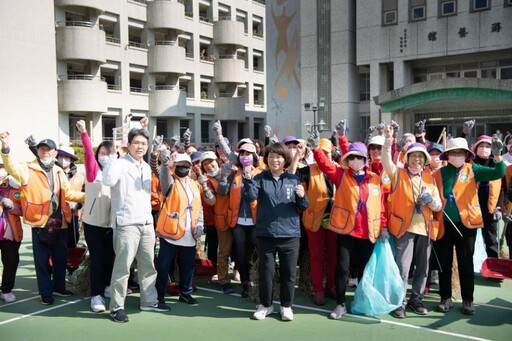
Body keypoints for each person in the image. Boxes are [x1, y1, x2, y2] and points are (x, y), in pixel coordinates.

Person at [0, 133, 85, 305]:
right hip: (40, 221)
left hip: (60, 221)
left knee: (61, 259)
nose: (45, 152)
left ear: (55, 153)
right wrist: (6, 148)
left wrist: (87, 196)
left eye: (49, 149)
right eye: (42, 149)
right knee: (41, 261)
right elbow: (11, 168)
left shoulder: (59, 170)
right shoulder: (27, 169)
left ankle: (59, 287)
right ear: (38, 151)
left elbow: (67, 193)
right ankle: (46, 292)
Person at [310, 132, 386, 320]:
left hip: (369, 231)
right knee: (342, 267)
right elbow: (325, 165)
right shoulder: (341, 175)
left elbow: (381, 206)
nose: (355, 160)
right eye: (351, 157)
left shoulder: (375, 179)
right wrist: (316, 148)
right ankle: (340, 303)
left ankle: (361, 300)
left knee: (365, 269)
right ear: (347, 159)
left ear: (365, 160)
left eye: (359, 157)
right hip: (345, 230)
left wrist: (383, 226)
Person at [102, 117, 170, 323]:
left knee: (148, 265)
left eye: (143, 143)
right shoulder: (120, 164)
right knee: (123, 267)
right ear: (128, 144)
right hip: (126, 224)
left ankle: (149, 302)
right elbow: (108, 180)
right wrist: (113, 156)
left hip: (146, 223)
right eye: (136, 143)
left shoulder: (146, 166)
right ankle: (117, 307)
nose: (140, 146)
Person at [433, 136, 505, 315]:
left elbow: (498, 172)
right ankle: (445, 297)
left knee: (466, 263)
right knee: (444, 263)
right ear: (447, 155)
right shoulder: (438, 173)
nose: (457, 156)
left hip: (467, 225)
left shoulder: (474, 169)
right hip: (444, 224)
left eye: (460, 153)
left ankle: (468, 300)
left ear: (466, 155)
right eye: (453, 153)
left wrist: (497, 156)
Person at [382, 125, 442, 319]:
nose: (417, 159)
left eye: (420, 156)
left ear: (425, 160)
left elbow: (438, 206)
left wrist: (431, 200)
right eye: (413, 156)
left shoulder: (429, 177)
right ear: (407, 158)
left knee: (423, 268)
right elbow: (385, 161)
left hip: (425, 228)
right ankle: (399, 302)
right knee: (402, 268)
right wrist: (389, 141)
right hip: (403, 228)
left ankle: (416, 299)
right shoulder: (397, 173)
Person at [243, 142, 308, 321]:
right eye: (271, 156)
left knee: (289, 273)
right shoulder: (260, 178)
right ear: (266, 159)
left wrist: (302, 196)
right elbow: (250, 197)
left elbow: (303, 206)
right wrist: (248, 179)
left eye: (278, 156)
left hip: (290, 234)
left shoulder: (293, 180)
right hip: (267, 234)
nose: (274, 160)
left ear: (285, 159)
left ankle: (286, 306)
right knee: (266, 272)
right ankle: (266, 305)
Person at [290, 139, 337, 306]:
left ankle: (331, 285)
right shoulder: (308, 171)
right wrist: (297, 155)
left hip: (336, 222)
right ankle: (318, 290)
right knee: (316, 256)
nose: (324, 156)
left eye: (327, 153)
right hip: (314, 222)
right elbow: (290, 176)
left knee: (333, 256)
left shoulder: (339, 170)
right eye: (321, 152)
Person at [76, 120, 116, 313]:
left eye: (109, 153)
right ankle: (96, 295)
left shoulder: (117, 172)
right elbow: (88, 154)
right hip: (93, 223)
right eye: (102, 153)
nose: (105, 157)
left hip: (112, 224)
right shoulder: (94, 172)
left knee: (111, 258)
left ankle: (108, 286)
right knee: (98, 259)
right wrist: (84, 133)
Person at [156, 152, 204, 306]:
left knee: (188, 266)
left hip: (190, 232)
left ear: (190, 167)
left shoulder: (194, 184)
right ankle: (159, 295)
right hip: (170, 231)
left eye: (186, 165)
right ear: (174, 166)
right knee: (164, 266)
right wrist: (164, 164)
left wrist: (200, 224)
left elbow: (199, 207)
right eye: (179, 165)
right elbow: (164, 178)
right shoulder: (170, 182)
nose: (183, 167)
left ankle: (185, 293)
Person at [472, 135, 502, 259]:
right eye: (481, 146)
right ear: (476, 148)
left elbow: (502, 188)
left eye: (487, 146)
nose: (484, 149)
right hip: (472, 208)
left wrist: (499, 207)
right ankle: (468, 267)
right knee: (469, 240)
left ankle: (494, 266)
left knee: (491, 239)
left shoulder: (497, 165)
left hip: (490, 208)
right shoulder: (470, 164)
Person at [0, 159, 23, 303]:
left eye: (2, 167)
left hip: (10, 234)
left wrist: (12, 206)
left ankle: (6, 290)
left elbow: (25, 209)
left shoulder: (18, 190)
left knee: (11, 261)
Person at [56, 146, 84, 251]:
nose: (63, 160)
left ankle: (71, 266)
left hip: (73, 215)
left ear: (72, 160)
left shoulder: (80, 177)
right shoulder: (53, 173)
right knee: (55, 242)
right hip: (54, 214)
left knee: (72, 241)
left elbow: (84, 196)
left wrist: (77, 205)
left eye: (67, 158)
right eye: (61, 157)